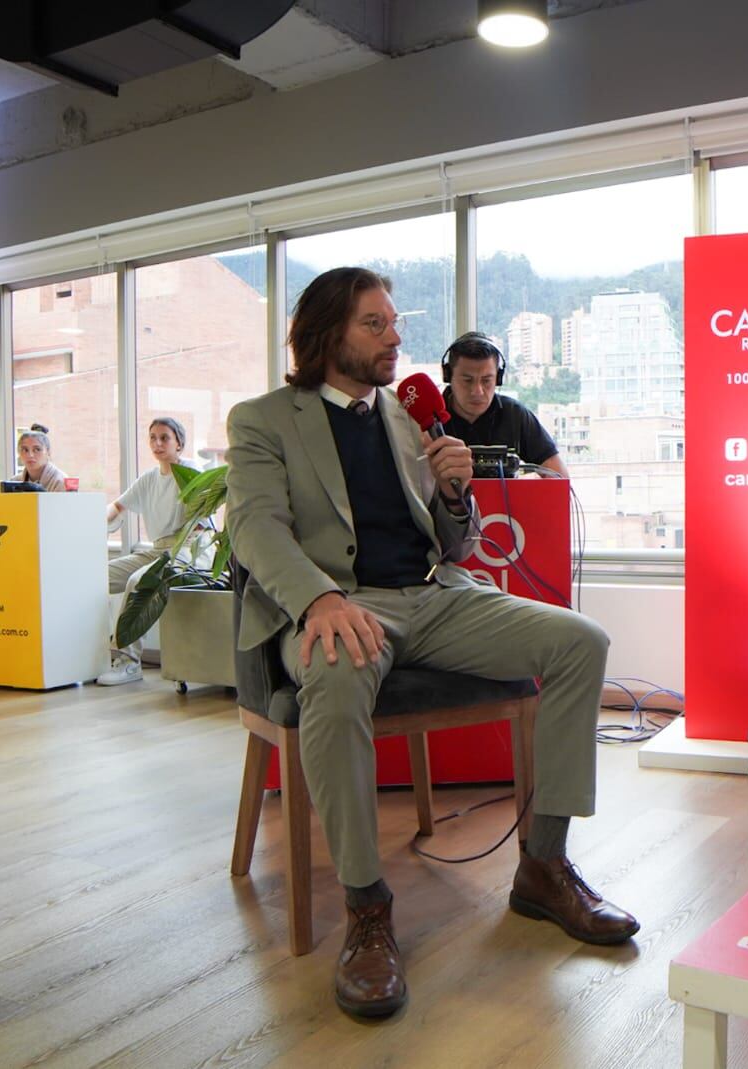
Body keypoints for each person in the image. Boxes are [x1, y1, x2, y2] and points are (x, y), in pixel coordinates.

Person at [225, 267, 636, 1020]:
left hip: (434, 596)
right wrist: (317, 597)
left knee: (580, 642)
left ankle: (544, 864)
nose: (395, 337)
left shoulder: (408, 417)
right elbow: (255, 526)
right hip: (337, 606)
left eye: (393, 322)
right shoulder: (263, 420)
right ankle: (367, 908)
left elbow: (452, 543)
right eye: (374, 324)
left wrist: (453, 493)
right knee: (339, 670)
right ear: (326, 335)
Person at [97, 417, 196, 686]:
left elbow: (201, 526)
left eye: (164, 437)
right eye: (152, 438)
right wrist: (89, 524)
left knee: (138, 581)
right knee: (95, 576)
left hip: (185, 550)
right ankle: (93, 655)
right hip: (157, 550)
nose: (157, 443)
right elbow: (116, 508)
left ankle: (129, 662)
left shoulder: (191, 474)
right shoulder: (149, 479)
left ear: (180, 443)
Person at [440, 331, 568, 475]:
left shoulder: (515, 415)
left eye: (486, 380)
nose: (477, 391)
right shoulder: (429, 419)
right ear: (448, 376)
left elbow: (559, 475)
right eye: (467, 380)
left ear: (498, 378)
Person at [15, 424, 69, 491]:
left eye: (37, 449)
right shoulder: (14, 482)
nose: (30, 455)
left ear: (48, 452)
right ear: (19, 453)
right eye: (25, 450)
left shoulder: (60, 482)